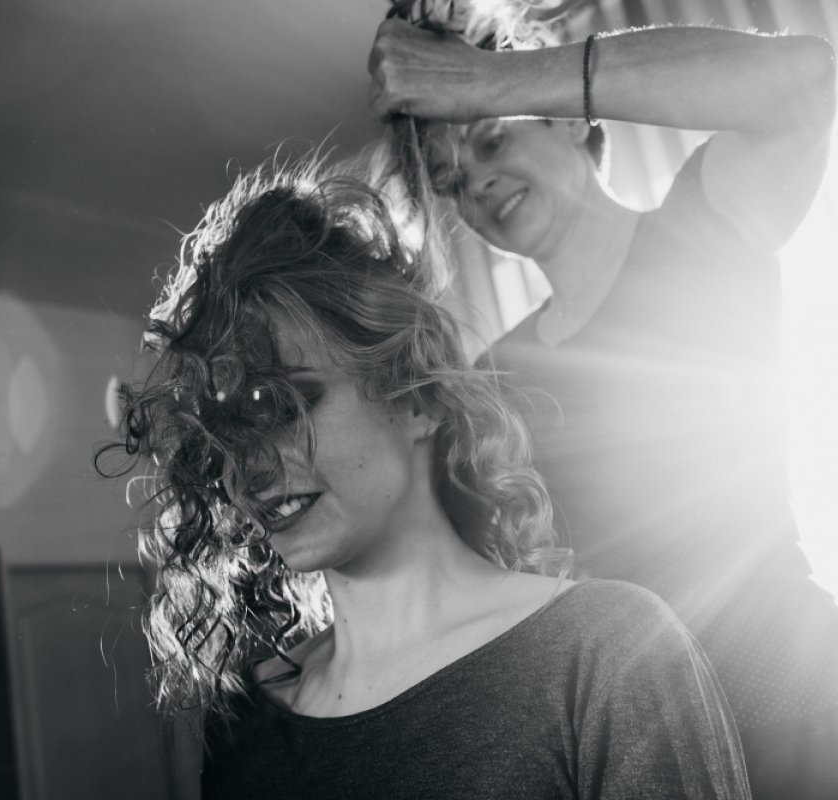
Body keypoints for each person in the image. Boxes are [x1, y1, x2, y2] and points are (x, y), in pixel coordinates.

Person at [368, 4, 838, 799]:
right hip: (658, 761)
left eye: (490, 139)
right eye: (452, 182)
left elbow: (802, 80)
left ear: (567, 120)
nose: (477, 186)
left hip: (813, 730)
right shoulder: (494, 382)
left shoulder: (703, 226)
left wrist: (484, 80)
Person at [98, 154, 753, 798]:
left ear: (416, 396)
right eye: (225, 434)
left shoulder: (606, 651)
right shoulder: (246, 722)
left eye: (283, 404)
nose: (250, 470)